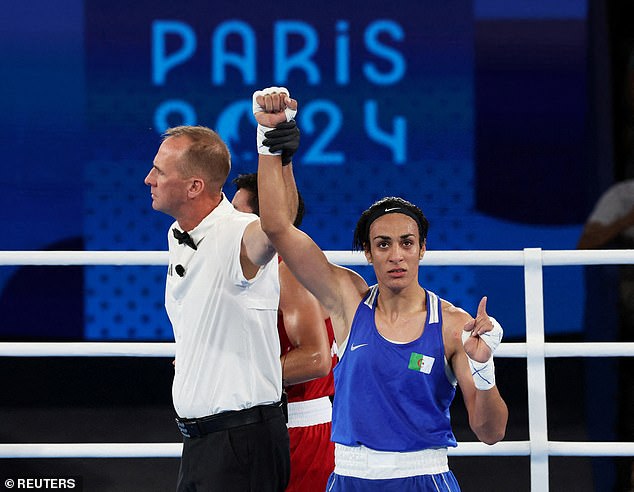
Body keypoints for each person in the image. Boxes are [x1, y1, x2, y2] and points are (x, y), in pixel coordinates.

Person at [253, 88, 508, 491]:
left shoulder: (453, 326)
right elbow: (278, 228)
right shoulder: (347, 300)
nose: (396, 255)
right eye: (383, 244)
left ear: (422, 249)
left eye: (407, 243)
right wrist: (271, 140)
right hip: (350, 477)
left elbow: (490, 432)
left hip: (424, 478)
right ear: (368, 255)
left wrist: (484, 369)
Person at [144, 125, 295, 491]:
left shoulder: (239, 232)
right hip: (202, 442)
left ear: (194, 186)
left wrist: (273, 148)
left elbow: (279, 227)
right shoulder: (179, 232)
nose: (149, 179)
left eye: (160, 172)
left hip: (240, 442)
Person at [231, 172, 338, 491]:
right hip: (266, 419)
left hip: (299, 431)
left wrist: (228, 375)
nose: (225, 221)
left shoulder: (288, 271)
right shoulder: (260, 270)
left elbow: (316, 360)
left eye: (237, 213)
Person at [577, 179, 634, 491]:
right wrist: (627, 220)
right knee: (626, 418)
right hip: (625, 327)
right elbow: (584, 245)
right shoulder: (621, 196)